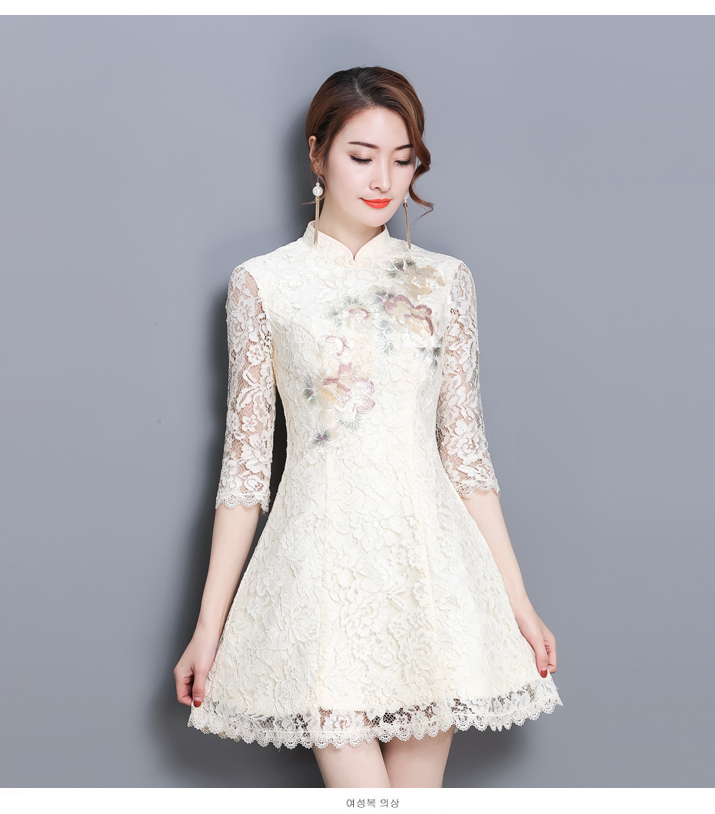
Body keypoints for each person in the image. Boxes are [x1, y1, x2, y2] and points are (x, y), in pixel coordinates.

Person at [174, 65, 563, 789]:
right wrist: (207, 629)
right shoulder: (264, 284)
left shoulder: (444, 282)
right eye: (362, 156)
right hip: (319, 573)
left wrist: (519, 605)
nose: (385, 179)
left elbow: (467, 457)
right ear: (317, 154)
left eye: (403, 158)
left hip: (432, 571)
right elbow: (245, 469)